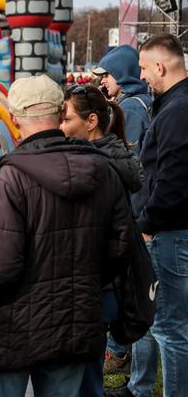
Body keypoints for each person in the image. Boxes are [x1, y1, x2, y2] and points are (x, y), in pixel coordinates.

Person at [0, 74, 135, 397]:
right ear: (59, 114)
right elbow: (120, 249)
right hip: (74, 323)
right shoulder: (101, 170)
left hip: (9, 331)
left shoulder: (9, 179)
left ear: (14, 119)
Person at [60, 84, 143, 397]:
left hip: (91, 283)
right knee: (89, 371)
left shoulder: (92, 168)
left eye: (66, 120)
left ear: (91, 121)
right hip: (107, 287)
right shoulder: (117, 157)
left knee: (75, 374)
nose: (60, 127)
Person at [119, 33, 188, 397]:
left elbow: (173, 178)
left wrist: (147, 224)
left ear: (160, 66)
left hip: (169, 232)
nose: (142, 76)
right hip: (170, 230)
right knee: (165, 323)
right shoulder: (173, 104)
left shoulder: (177, 109)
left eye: (144, 68)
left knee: (171, 328)